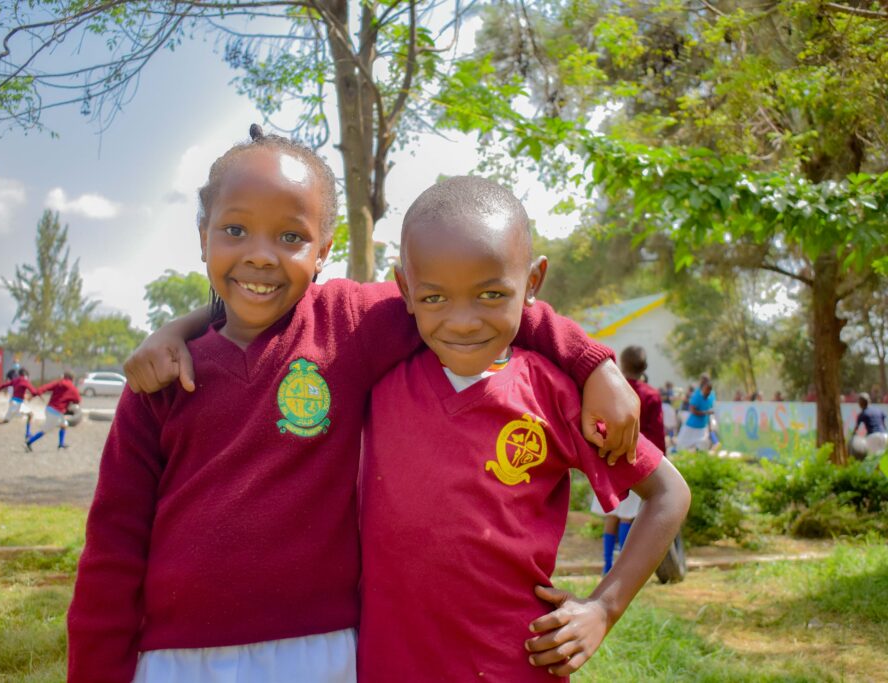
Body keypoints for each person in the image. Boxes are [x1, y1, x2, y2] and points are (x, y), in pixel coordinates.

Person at [67, 127, 642, 682]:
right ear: (202, 239)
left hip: (322, 652)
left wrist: (592, 362)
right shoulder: (161, 377)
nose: (261, 256)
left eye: (291, 237)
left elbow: (471, 296)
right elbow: (112, 550)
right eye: (235, 230)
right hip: (176, 659)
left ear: (324, 250)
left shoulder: (348, 324)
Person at [358, 178, 688, 681]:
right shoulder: (375, 382)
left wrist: (604, 607)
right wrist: (188, 327)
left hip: (519, 664)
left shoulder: (555, 395)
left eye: (491, 294)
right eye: (435, 298)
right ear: (404, 289)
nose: (464, 321)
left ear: (533, 282)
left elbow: (668, 492)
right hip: (389, 666)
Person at [590, 345, 666, 573]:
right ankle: (621, 569)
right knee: (627, 517)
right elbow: (656, 432)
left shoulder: (612, 389)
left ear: (621, 364)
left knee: (611, 515)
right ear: (644, 367)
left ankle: (606, 565)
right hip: (636, 462)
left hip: (610, 460)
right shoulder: (651, 395)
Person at [26, 371, 81, 451]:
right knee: (45, 429)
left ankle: (61, 444)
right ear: (72, 379)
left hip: (50, 409)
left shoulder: (58, 383)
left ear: (64, 376)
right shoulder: (73, 388)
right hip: (56, 412)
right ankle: (29, 442)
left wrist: (35, 394)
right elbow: (78, 400)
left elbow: (44, 388)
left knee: (64, 425)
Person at [0, 368, 38, 438]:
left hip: (13, 402)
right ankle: (28, 433)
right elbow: (34, 392)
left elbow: (3, 386)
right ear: (25, 375)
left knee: (6, 420)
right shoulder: (25, 381)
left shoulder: (15, 380)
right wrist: (31, 397)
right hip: (18, 404)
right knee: (30, 415)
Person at [677, 378, 715, 451]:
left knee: (702, 447)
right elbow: (692, 410)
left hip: (702, 428)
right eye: (707, 390)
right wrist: (705, 412)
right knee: (681, 446)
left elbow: (710, 412)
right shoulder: (697, 396)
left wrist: (709, 428)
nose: (708, 392)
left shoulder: (710, 398)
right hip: (691, 427)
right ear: (703, 388)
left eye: (709, 390)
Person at [850, 392, 888, 456]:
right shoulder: (878, 410)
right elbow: (883, 423)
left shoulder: (863, 413)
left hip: (873, 436)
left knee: (874, 458)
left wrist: (852, 439)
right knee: (883, 457)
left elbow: (856, 429)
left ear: (861, 403)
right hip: (884, 436)